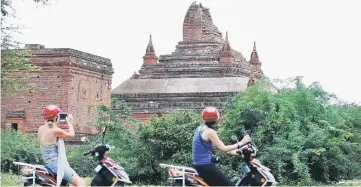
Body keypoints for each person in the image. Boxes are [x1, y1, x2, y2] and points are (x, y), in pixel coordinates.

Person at [192, 106, 251, 186]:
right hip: (204, 165)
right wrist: (241, 143)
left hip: (198, 163)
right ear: (216, 120)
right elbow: (223, 148)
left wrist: (234, 152)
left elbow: (220, 146)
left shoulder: (200, 128)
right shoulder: (210, 132)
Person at [38, 105, 86, 186]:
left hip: (48, 162)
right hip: (56, 164)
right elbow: (72, 134)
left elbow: (55, 131)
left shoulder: (41, 129)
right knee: (81, 183)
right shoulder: (55, 131)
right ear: (56, 117)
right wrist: (70, 123)